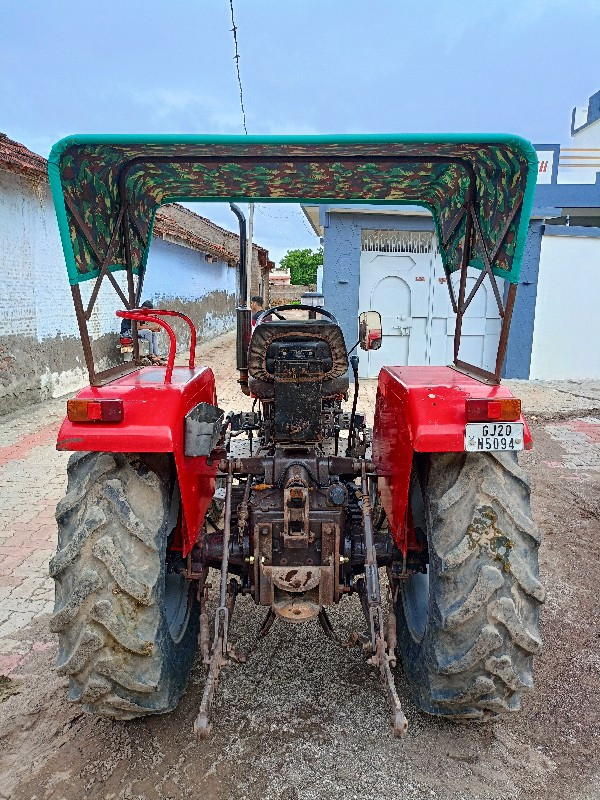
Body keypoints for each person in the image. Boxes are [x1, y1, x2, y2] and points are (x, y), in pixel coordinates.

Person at [120, 300, 165, 364]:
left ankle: (157, 355)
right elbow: (138, 327)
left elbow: (142, 326)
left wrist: (154, 329)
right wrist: (151, 328)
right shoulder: (137, 312)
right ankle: (151, 354)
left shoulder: (142, 313)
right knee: (148, 332)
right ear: (145, 308)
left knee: (153, 334)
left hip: (134, 331)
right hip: (127, 332)